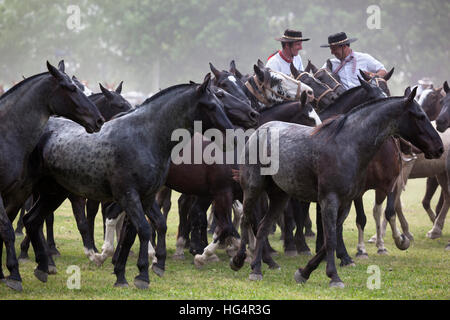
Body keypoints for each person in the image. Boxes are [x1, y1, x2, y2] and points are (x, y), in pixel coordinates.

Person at [320, 32, 387, 90]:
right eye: (331, 49)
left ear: (344, 47)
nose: (332, 52)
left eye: (334, 49)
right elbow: (318, 77)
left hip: (365, 99)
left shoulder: (364, 58)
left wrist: (373, 76)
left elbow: (383, 71)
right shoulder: (330, 64)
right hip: (344, 102)